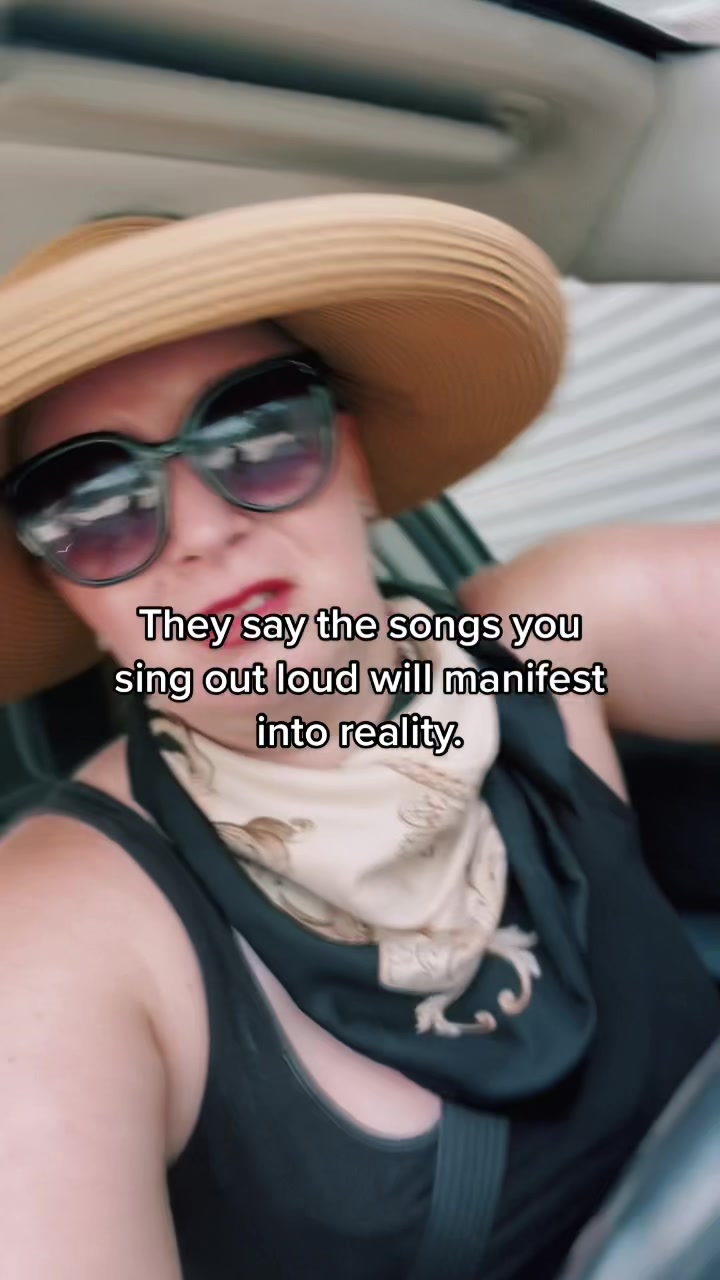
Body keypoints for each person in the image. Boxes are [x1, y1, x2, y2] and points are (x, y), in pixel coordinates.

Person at [0, 194, 717, 1280]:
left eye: (256, 435)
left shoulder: (544, 646)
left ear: (354, 459)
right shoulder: (58, 925)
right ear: (68, 589)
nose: (202, 529)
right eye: (93, 504)